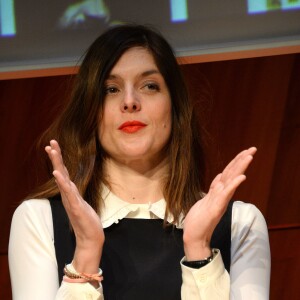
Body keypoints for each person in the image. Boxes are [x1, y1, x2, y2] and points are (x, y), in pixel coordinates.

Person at [8, 24, 270, 299]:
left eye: (149, 86)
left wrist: (199, 253)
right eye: (111, 89)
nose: (130, 102)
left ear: (175, 106)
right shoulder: (40, 220)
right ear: (90, 110)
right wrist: (85, 256)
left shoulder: (240, 224)